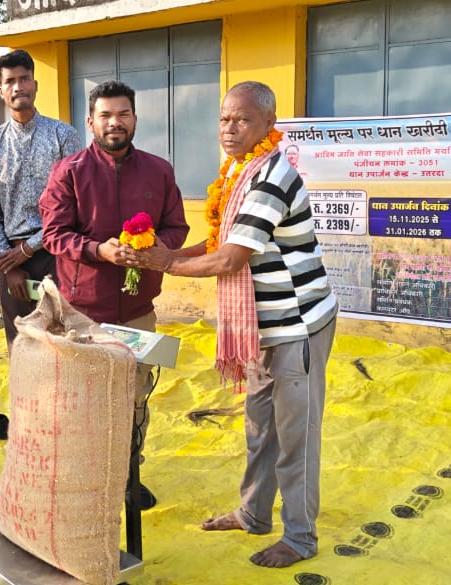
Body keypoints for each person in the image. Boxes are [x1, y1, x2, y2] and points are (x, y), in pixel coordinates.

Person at [129, 81, 338, 569]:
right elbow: (215, 241)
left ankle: (301, 538)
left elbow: (228, 260)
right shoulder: (241, 171)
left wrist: (163, 263)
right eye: (224, 119)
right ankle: (254, 513)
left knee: (296, 435)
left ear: (269, 125)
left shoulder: (271, 178)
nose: (229, 128)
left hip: (297, 327)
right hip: (263, 328)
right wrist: (165, 255)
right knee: (260, 427)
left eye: (242, 120)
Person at [38, 80, 190, 510]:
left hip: (138, 311)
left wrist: (153, 250)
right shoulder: (69, 172)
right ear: (90, 122)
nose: (114, 123)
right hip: (83, 312)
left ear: (135, 119)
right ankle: (83, 479)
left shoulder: (159, 171)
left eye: (123, 114)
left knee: (136, 396)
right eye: (105, 115)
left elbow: (177, 228)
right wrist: (99, 250)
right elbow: (54, 235)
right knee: (81, 401)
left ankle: (128, 474)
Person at [0, 49, 83, 349]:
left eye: (24, 79)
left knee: (64, 342)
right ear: (1, 91)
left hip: (58, 253)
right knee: (22, 346)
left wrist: (29, 247)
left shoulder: (63, 135)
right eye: (10, 81)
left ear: (35, 85)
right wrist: (11, 265)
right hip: (11, 261)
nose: (18, 87)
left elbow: (75, 205)